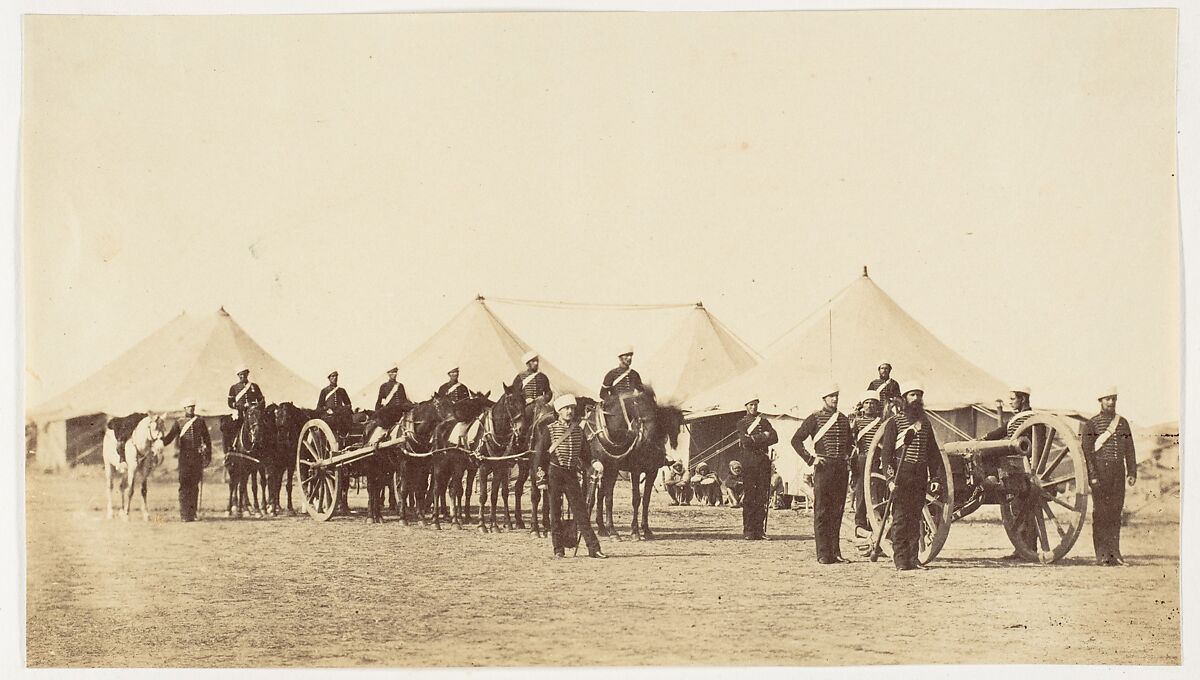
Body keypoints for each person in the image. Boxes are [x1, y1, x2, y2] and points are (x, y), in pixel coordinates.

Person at [878, 382, 942, 571]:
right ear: (905, 398)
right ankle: (900, 560)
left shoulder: (926, 423)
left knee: (916, 518)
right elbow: (886, 455)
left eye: (919, 395)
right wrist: (890, 480)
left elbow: (933, 454)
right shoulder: (894, 422)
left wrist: (936, 478)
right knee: (900, 517)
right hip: (901, 474)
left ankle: (913, 559)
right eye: (912, 395)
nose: (916, 399)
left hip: (920, 474)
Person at [533, 394, 606, 559]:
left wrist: (594, 463)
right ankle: (558, 549)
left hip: (571, 475)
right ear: (559, 411)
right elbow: (540, 458)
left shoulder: (578, 430)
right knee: (555, 512)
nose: (570, 411)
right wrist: (541, 478)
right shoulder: (549, 430)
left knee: (581, 513)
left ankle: (594, 549)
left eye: (572, 408)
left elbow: (586, 455)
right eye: (566, 408)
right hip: (554, 474)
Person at [791, 384, 853, 564]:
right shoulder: (814, 418)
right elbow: (796, 440)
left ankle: (836, 552)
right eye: (831, 396)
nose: (834, 399)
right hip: (823, 468)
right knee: (822, 511)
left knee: (837, 511)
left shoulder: (842, 419)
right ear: (824, 398)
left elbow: (849, 443)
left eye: (836, 396)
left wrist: (848, 456)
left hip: (841, 468)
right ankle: (823, 553)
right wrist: (811, 460)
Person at [1081, 387, 1137, 566]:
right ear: (1100, 401)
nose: (1111, 403)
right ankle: (1102, 555)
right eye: (1108, 399)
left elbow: (1129, 448)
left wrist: (1132, 472)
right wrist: (1093, 476)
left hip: (1118, 472)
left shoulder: (1123, 423)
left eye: (1113, 399)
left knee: (1115, 512)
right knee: (1101, 514)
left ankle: (1115, 553)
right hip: (1100, 473)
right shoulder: (1091, 424)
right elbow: (1087, 453)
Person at [984, 385, 1038, 559]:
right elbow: (1001, 431)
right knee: (1024, 510)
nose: (1010, 402)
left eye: (1013, 399)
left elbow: (1036, 442)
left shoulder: (1027, 418)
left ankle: (1024, 549)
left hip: (1019, 467)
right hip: (1021, 466)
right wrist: (984, 439)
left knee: (1020, 509)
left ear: (1022, 399)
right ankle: (1026, 548)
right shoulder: (1024, 418)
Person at [737, 396, 778, 540]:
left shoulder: (765, 421)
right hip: (749, 462)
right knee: (749, 496)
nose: (754, 407)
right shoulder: (742, 423)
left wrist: (756, 437)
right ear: (746, 406)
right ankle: (748, 530)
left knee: (761, 496)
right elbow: (746, 441)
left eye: (755, 405)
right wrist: (763, 436)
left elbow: (775, 438)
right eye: (751, 405)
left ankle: (759, 530)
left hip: (762, 462)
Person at [168, 398, 211, 522]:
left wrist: (207, 456)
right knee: (184, 485)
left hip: (197, 458)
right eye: (189, 407)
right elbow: (169, 437)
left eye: (192, 407)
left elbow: (207, 439)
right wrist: (159, 441)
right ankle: (184, 514)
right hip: (184, 458)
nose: (191, 409)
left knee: (194, 485)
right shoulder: (179, 422)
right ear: (185, 409)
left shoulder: (200, 422)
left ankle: (193, 513)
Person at [850, 390, 884, 545]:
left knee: (878, 492)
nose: (869, 406)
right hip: (862, 459)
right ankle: (860, 524)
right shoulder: (857, 422)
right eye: (867, 403)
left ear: (877, 405)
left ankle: (876, 524)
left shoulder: (882, 421)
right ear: (862, 406)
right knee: (862, 492)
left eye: (872, 403)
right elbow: (850, 441)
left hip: (878, 459)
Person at [513, 351, 553, 444]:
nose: (536, 363)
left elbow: (548, 392)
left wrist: (543, 398)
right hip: (525, 408)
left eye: (537, 361)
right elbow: (515, 395)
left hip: (541, 406)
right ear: (528, 364)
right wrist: (525, 400)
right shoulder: (520, 377)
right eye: (533, 361)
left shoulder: (543, 377)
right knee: (523, 426)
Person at [317, 370, 353, 439]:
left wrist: (343, 409)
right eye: (333, 376)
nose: (335, 378)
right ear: (329, 378)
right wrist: (326, 409)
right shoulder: (324, 391)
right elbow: (319, 407)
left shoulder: (342, 390)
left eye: (336, 376)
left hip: (340, 413)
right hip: (329, 415)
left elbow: (348, 404)